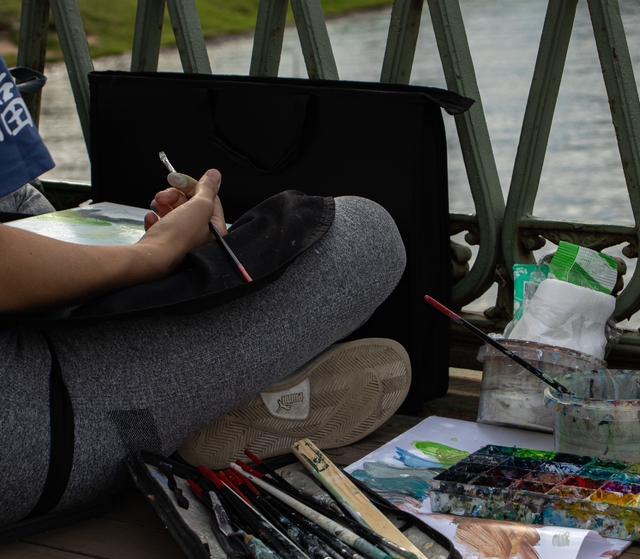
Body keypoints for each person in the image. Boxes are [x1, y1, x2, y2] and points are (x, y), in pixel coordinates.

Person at [0, 57, 409, 529]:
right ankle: (201, 405)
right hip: (32, 434)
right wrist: (155, 254)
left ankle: (196, 399)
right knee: (367, 235)